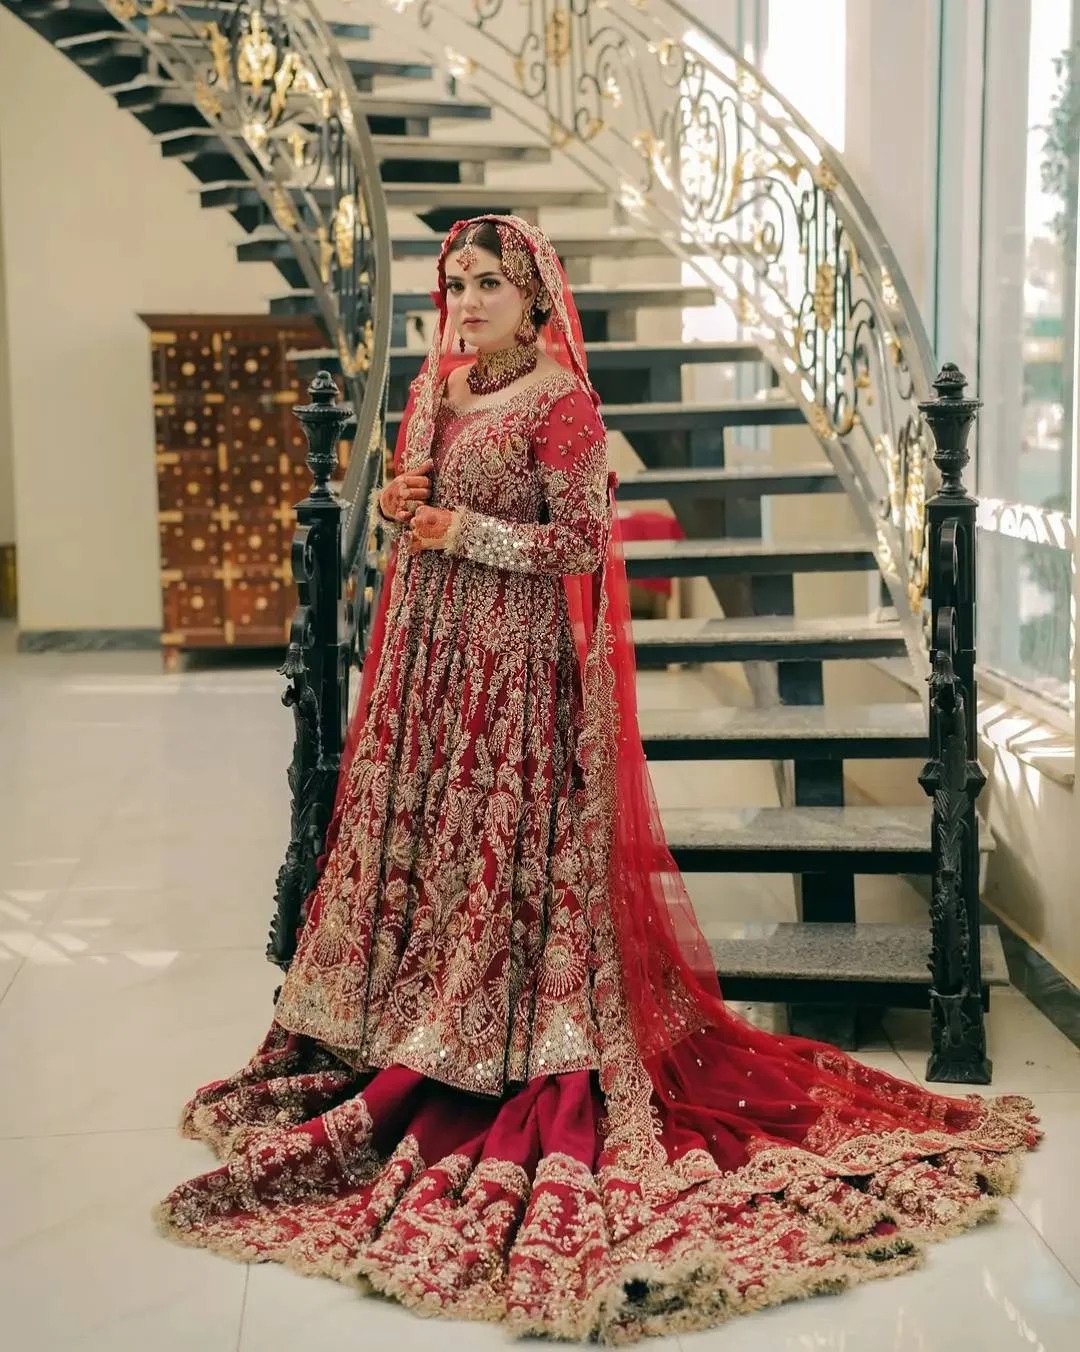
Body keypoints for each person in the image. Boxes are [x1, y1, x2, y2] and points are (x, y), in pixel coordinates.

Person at [155, 216, 1038, 1343]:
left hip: (519, 667)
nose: (466, 300)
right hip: (434, 664)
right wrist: (400, 510)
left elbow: (579, 546)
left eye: (489, 283)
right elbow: (420, 508)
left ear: (535, 297)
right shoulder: (436, 388)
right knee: (433, 849)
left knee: (508, 856)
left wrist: (460, 529)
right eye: (455, 283)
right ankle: (422, 1020)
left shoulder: (564, 404)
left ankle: (508, 1037)